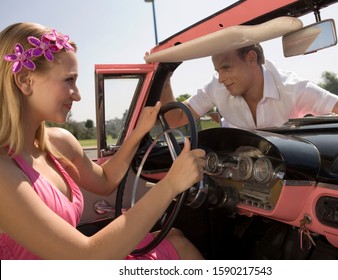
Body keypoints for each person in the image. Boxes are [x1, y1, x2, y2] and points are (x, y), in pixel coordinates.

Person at [0, 22, 206, 260]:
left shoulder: (60, 143)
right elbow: (86, 258)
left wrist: (138, 132)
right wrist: (170, 185)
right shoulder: (4, 173)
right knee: (180, 249)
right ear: (25, 80)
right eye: (69, 80)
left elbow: (106, 180)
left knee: (175, 236)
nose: (77, 95)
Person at [160, 43, 338, 129]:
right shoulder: (216, 88)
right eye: (217, 71)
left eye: (226, 68)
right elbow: (175, 120)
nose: (220, 78)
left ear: (251, 58)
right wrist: (165, 76)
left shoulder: (294, 88)